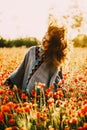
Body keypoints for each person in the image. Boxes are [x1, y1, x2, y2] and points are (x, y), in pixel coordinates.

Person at [4, 25, 67, 97]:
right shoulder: (32, 51)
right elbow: (21, 69)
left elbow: (57, 79)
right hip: (26, 95)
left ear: (54, 45)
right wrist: (10, 82)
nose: (44, 41)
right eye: (44, 38)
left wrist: (57, 93)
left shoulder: (55, 60)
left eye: (47, 41)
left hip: (43, 97)